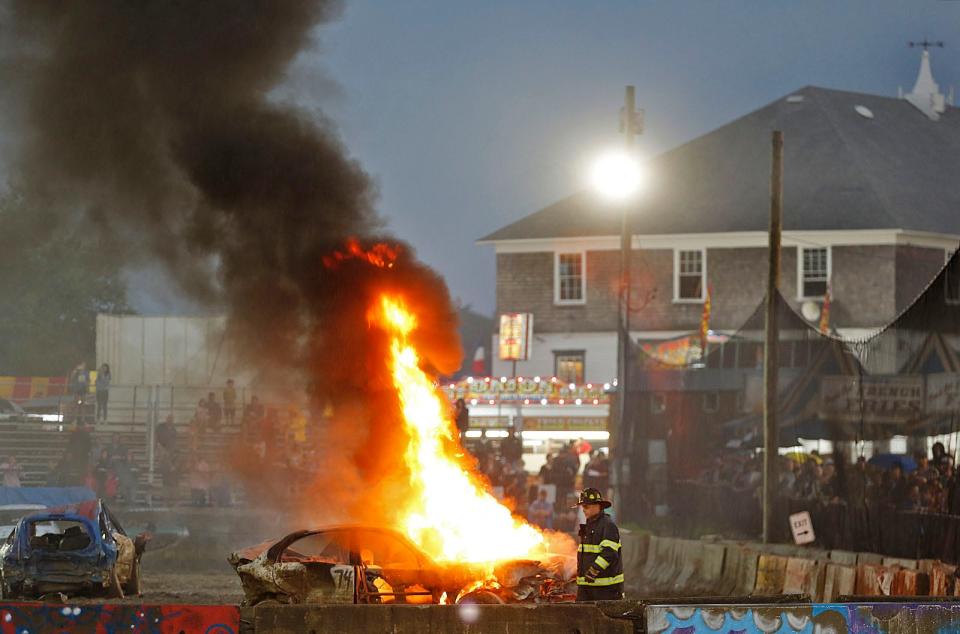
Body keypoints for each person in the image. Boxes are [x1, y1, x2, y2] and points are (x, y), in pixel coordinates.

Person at [572, 488, 623, 601]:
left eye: (586, 506)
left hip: (605, 590)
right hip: (586, 588)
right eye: (582, 507)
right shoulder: (589, 526)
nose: (583, 510)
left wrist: (593, 571)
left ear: (598, 505)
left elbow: (609, 553)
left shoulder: (608, 526)